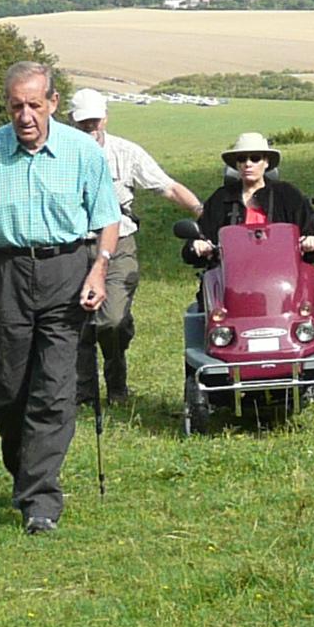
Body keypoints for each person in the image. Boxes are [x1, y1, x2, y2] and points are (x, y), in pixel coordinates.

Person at [0, 62, 120, 533]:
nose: (25, 116)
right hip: (9, 273)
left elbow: (107, 219)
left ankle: (41, 500)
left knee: (56, 388)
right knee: (10, 389)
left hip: (68, 269)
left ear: (53, 104)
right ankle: (26, 473)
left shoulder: (83, 152)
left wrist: (99, 270)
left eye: (34, 106)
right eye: (16, 106)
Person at [67, 88, 202, 405]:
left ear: (105, 118)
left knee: (112, 320)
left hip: (118, 245)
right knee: (77, 323)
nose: (90, 128)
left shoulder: (126, 153)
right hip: (72, 247)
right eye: (83, 122)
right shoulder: (59, 155)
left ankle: (116, 383)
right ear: (71, 122)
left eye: (94, 120)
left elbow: (166, 186)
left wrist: (202, 213)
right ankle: (84, 393)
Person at [184, 133, 314, 266]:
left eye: (255, 158)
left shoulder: (287, 195)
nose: (248, 164)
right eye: (242, 159)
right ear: (237, 165)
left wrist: (311, 240)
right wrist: (198, 245)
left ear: (266, 162)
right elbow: (200, 236)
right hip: (232, 276)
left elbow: (311, 230)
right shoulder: (221, 197)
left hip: (281, 274)